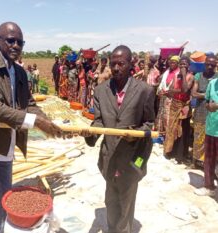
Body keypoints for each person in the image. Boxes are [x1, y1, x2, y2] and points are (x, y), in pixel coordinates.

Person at [0, 22, 62, 233]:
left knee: (3, 202)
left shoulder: (20, 72)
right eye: (10, 40)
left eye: (20, 42)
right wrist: (36, 122)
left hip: (6, 149)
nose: (16, 45)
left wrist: (48, 123)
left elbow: (31, 105)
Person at [81, 45, 155, 233]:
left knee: (126, 201)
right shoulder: (101, 90)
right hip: (109, 156)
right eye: (113, 64)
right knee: (111, 200)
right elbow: (99, 122)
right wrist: (90, 133)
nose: (115, 68)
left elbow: (148, 123)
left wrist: (135, 135)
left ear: (130, 64)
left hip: (133, 158)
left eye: (121, 64)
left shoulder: (144, 91)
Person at [163, 56, 194, 164]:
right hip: (174, 105)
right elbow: (170, 90)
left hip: (184, 107)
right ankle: (170, 151)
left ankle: (180, 155)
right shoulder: (176, 75)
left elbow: (185, 90)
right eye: (181, 64)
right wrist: (178, 91)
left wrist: (184, 75)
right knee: (172, 129)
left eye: (185, 64)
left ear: (188, 66)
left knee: (182, 131)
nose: (182, 66)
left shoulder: (190, 76)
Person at [191, 55, 218, 166]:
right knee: (198, 137)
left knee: (212, 139)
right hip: (201, 111)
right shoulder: (198, 76)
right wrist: (208, 95)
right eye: (208, 64)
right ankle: (195, 161)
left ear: (216, 65)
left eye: (213, 65)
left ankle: (208, 163)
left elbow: (198, 94)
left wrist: (201, 94)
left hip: (214, 113)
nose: (210, 66)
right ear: (204, 64)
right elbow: (193, 93)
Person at [195, 71, 218, 196]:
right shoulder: (213, 84)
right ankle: (209, 187)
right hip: (211, 128)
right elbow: (208, 104)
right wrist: (211, 106)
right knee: (209, 159)